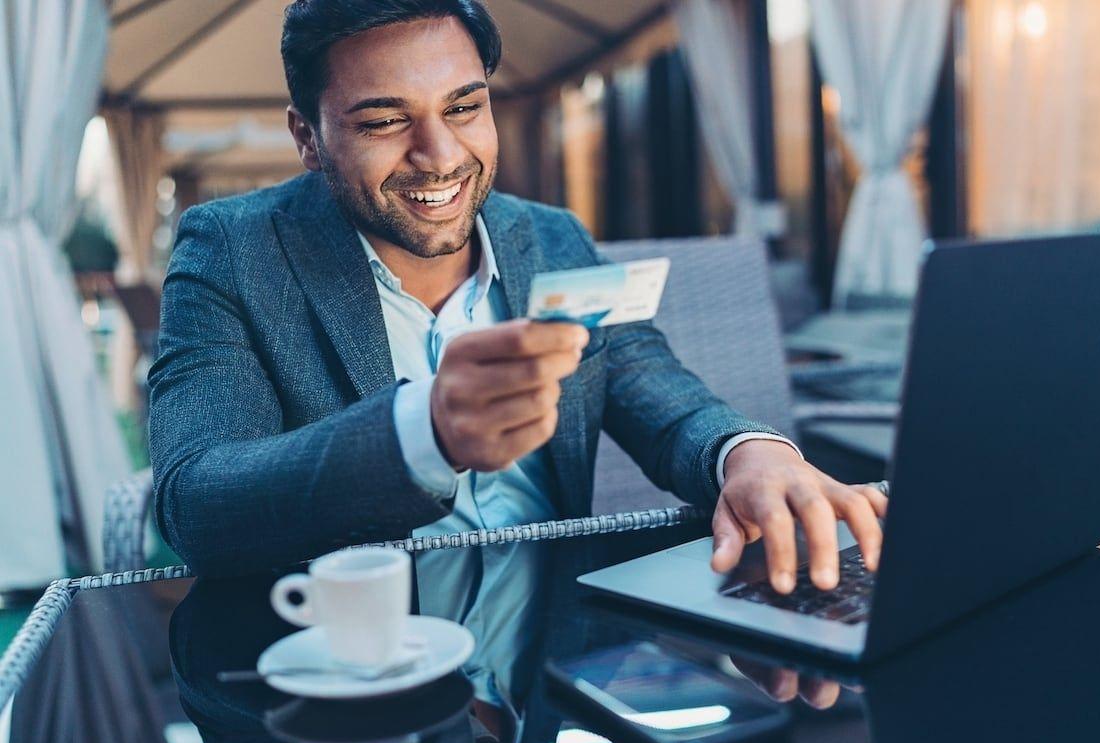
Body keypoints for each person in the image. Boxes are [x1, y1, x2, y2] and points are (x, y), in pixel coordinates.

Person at [149, 0, 887, 594]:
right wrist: (422, 432)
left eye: (464, 108)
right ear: (308, 139)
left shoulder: (553, 237)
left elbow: (656, 393)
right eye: (383, 121)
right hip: (356, 674)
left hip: (550, 657)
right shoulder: (233, 249)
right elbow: (197, 504)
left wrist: (747, 454)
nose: (440, 155)